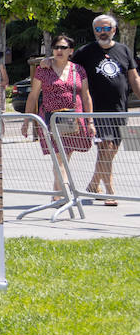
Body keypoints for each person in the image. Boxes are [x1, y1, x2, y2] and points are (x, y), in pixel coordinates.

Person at [72, 14, 140, 205]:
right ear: (94, 31)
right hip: (96, 110)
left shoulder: (123, 50)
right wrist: (50, 61)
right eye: (98, 29)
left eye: (106, 28)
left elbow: (134, 78)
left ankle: (94, 184)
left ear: (114, 30)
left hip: (119, 109)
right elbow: (67, 68)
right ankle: (110, 191)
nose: (102, 33)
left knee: (112, 149)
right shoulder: (85, 52)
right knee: (106, 147)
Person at [23, 33, 94, 200]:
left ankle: (58, 194)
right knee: (58, 157)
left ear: (71, 50)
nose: (59, 50)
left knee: (65, 156)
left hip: (73, 120)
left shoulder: (78, 70)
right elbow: (33, 96)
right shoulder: (43, 69)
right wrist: (26, 120)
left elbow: (86, 95)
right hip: (50, 119)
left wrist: (90, 121)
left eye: (63, 47)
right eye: (56, 47)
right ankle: (61, 194)